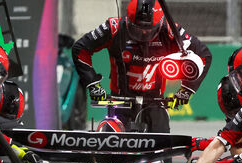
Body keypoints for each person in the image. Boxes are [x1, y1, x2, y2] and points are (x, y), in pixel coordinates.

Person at [72, 0, 212, 133]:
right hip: (119, 102)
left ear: (159, 23)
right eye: (138, 29)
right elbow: (80, 48)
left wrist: (186, 90)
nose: (144, 33)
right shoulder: (114, 27)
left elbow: (203, 55)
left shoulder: (170, 31)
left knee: (162, 147)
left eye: (149, 30)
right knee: (110, 141)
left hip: (156, 102)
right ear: (127, 21)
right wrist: (93, 85)